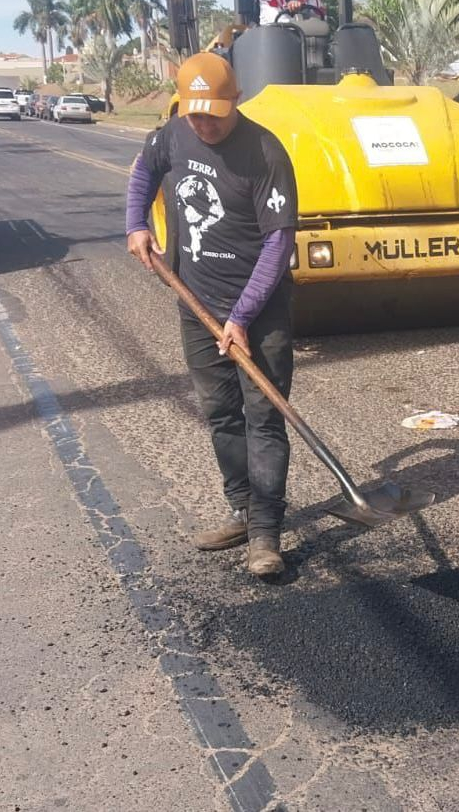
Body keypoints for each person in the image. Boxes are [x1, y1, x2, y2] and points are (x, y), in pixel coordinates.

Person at [124, 52, 298, 577]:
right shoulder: (171, 135)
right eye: (196, 114)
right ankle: (242, 511)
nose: (204, 124)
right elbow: (144, 171)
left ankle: (266, 535)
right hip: (195, 301)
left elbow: (279, 242)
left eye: (214, 115)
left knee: (264, 417)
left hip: (258, 310)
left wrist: (242, 316)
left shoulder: (266, 152)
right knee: (220, 412)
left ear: (236, 101)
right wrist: (136, 223)